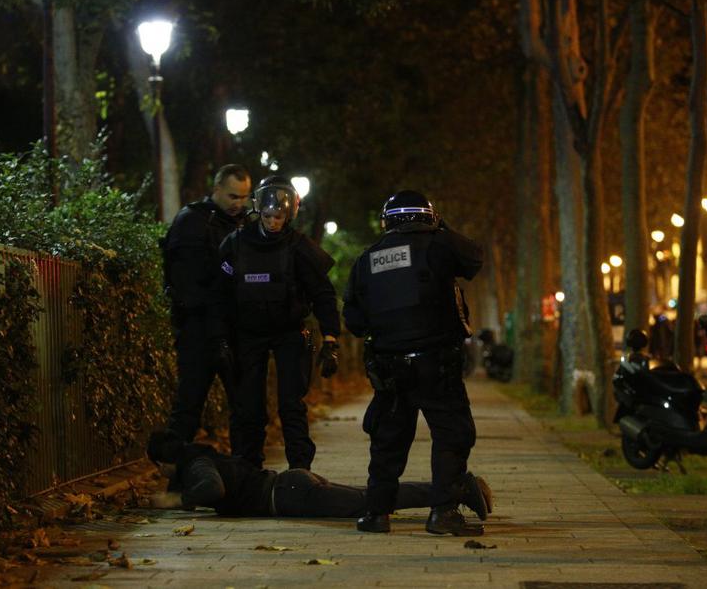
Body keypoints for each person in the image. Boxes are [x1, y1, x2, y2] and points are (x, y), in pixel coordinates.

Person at [342, 190, 485, 536]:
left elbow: (355, 320)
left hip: (390, 368)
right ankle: (443, 513)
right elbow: (474, 259)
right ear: (429, 217)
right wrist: (442, 228)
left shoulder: (368, 258)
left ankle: (377, 514)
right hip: (437, 363)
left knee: (388, 440)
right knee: (452, 435)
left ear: (387, 221)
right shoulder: (440, 245)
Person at [210, 176, 340, 471]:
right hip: (248, 333)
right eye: (268, 216)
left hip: (289, 332)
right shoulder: (237, 244)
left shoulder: (299, 247)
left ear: (289, 214)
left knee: (291, 405)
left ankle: (300, 471)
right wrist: (220, 338)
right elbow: (220, 294)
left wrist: (331, 339)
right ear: (259, 211)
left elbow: (322, 294)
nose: (273, 223)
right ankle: (247, 469)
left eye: (279, 217)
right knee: (248, 406)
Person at [145, 429, 493, 520]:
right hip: (291, 487)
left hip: (290, 495)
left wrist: (175, 500)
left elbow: (213, 489)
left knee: (370, 501)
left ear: (165, 460)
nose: (159, 473)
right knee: (371, 496)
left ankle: (458, 489)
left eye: (158, 466)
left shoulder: (196, 465)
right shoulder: (199, 457)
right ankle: (452, 488)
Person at [161, 164, 252, 448]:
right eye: (233, 196)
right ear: (217, 189)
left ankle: (244, 466)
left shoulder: (243, 225)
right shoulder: (192, 221)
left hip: (232, 328)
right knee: (189, 404)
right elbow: (186, 281)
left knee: (244, 406)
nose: (239, 203)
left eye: (243, 197)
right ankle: (175, 466)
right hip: (198, 328)